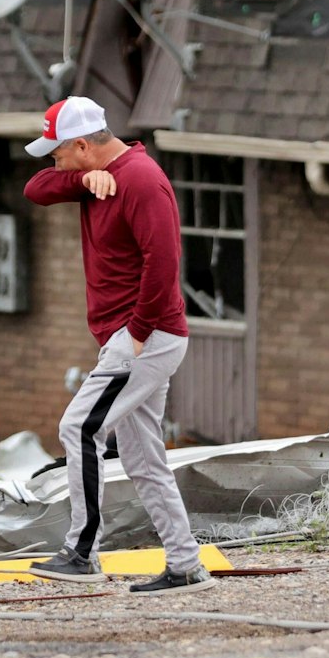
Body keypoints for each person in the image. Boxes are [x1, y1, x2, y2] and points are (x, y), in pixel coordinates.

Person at [21, 96, 209, 594]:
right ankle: (186, 565)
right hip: (135, 337)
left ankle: (82, 552)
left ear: (82, 144)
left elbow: (164, 263)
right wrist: (82, 179)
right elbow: (35, 189)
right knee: (144, 457)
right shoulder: (96, 178)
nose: (52, 160)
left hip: (144, 335)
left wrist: (139, 333)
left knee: (79, 427)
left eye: (57, 152)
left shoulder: (141, 180)